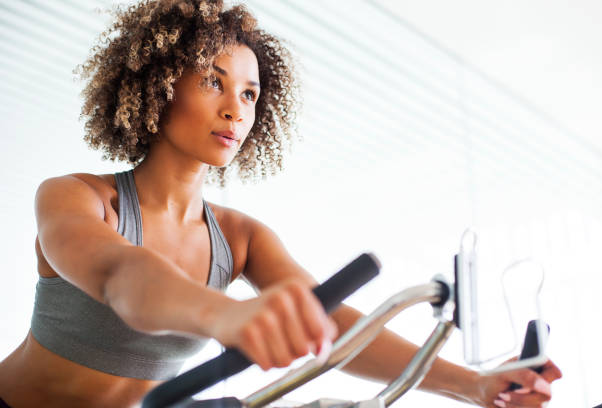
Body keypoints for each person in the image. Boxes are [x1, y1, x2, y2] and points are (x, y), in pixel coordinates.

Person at [0, 1, 562, 407]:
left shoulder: (241, 239)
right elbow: (122, 277)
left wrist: (477, 386)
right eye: (213, 82)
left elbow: (333, 324)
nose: (236, 110)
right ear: (161, 83)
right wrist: (228, 316)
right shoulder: (77, 196)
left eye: (249, 93)